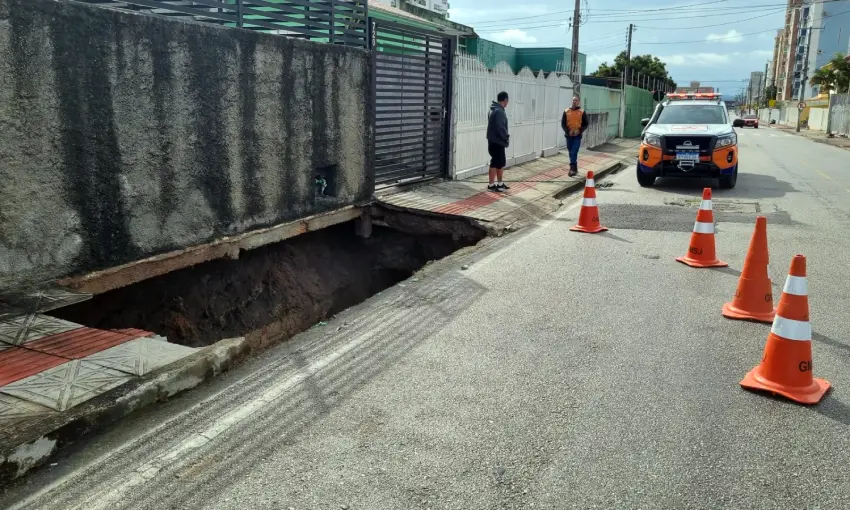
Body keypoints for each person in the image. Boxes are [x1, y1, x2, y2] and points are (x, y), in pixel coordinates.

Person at [486, 91, 510, 192]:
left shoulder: (494, 109)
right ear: (505, 100)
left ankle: (500, 184)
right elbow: (500, 128)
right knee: (495, 162)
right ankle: (491, 185)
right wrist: (506, 137)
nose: (508, 102)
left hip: (494, 141)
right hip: (497, 141)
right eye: (507, 100)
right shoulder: (499, 111)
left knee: (499, 163)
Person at [561, 95, 589, 177]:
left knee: (574, 151)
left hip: (577, 136)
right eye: (573, 100)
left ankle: (572, 169)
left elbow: (586, 124)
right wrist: (567, 131)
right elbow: (563, 123)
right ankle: (575, 167)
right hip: (568, 135)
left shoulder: (582, 112)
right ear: (572, 101)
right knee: (570, 152)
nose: (574, 102)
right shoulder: (566, 111)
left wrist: (579, 131)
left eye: (576, 100)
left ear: (579, 102)